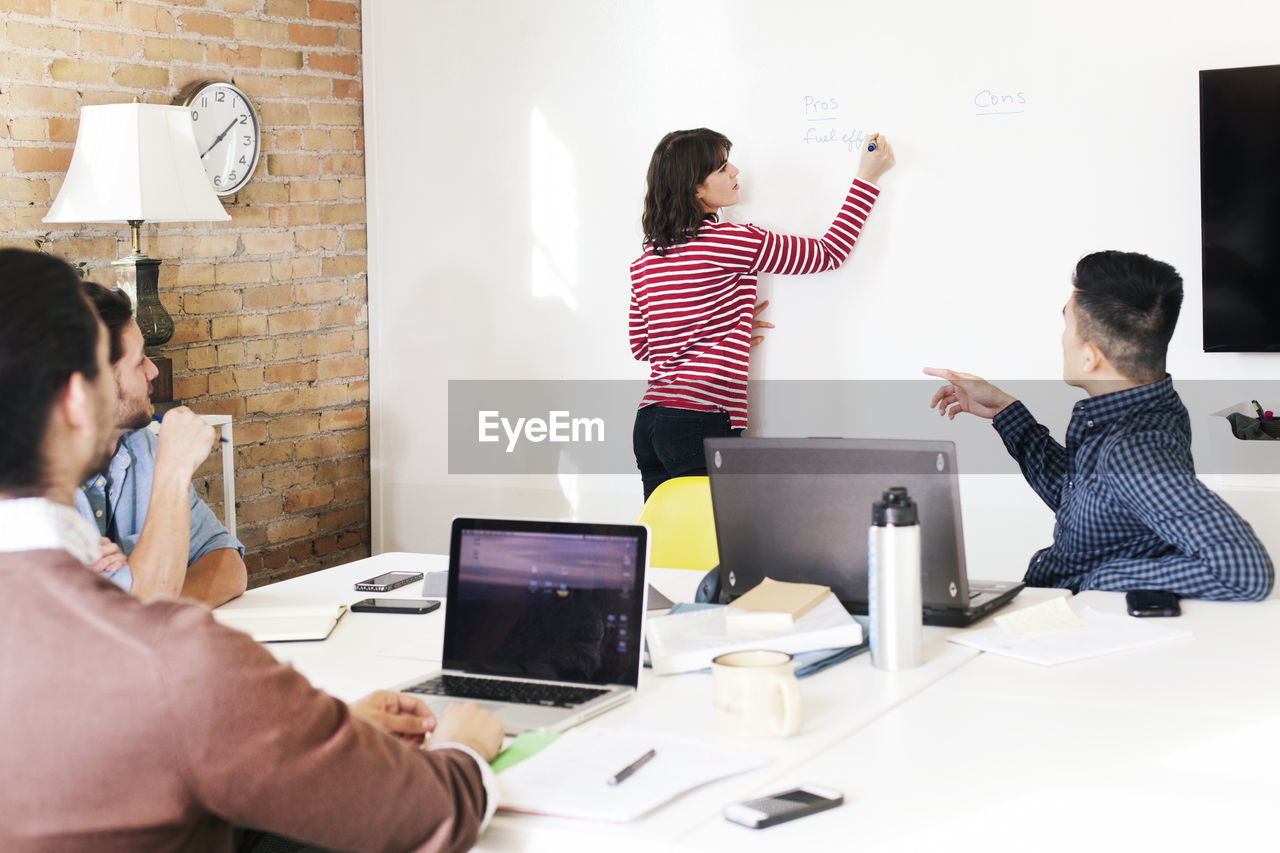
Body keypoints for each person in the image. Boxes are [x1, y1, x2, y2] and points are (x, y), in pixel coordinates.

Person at [0, 248, 505, 852]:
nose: (151, 374)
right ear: (78, 403)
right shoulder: (173, 662)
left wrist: (294, 738)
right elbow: (429, 814)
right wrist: (465, 747)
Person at [926, 250, 1273, 600]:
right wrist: (1006, 411)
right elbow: (1085, 500)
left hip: (1075, 620)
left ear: (1090, 357)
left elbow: (1243, 571)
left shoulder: (1134, 450)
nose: (1062, 337)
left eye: (1067, 323)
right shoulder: (1146, 408)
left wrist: (1099, 580)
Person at [630, 127, 895, 500]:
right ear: (696, 189)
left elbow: (643, 346)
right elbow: (829, 253)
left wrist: (721, 320)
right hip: (700, 420)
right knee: (715, 548)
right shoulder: (732, 241)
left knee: (667, 547)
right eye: (722, 168)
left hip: (651, 423)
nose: (735, 171)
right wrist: (868, 176)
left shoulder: (646, 260)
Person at [75, 282, 247, 606]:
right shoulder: (33, 484)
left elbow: (228, 566)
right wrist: (175, 470)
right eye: (139, 361)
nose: (154, 370)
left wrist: (134, 601)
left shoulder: (141, 446)